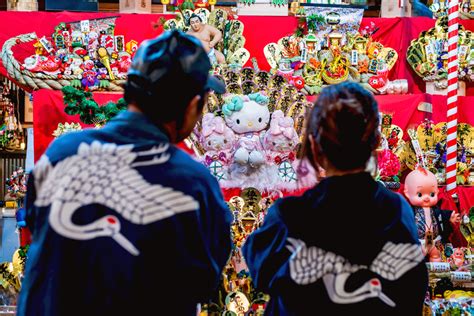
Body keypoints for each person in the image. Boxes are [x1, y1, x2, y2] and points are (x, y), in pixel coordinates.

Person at [17, 30, 232, 316]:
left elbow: (34, 225)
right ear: (193, 106)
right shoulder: (193, 183)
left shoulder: (61, 154)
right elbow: (205, 280)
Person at [242, 82, 428, 315]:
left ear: (314, 146)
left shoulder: (289, 215)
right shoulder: (396, 209)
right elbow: (413, 288)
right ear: (376, 143)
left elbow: (261, 273)